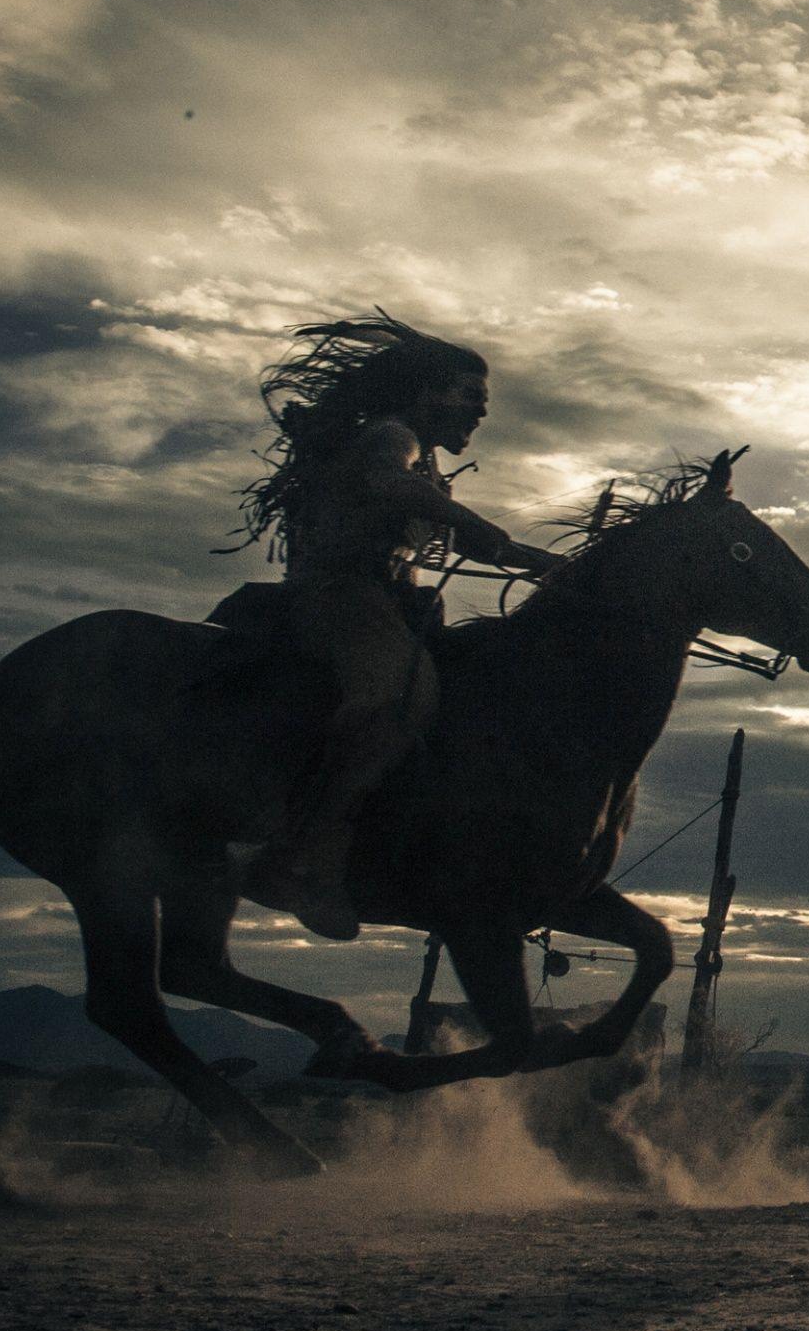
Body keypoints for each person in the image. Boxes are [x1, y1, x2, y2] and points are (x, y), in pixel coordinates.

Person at [222, 315, 561, 939]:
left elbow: (475, 538)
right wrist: (477, 526)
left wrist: (551, 566)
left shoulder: (421, 460)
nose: (480, 413)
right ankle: (295, 855)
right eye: (470, 397)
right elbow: (389, 484)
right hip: (342, 595)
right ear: (425, 393)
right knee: (400, 699)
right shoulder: (391, 436)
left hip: (390, 600)